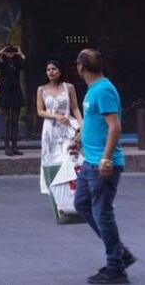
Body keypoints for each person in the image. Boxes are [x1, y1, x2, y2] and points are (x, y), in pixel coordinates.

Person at [69, 49, 136, 284]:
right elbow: (92, 121)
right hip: (90, 161)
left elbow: (114, 126)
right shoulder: (93, 90)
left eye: (77, 64)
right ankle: (119, 252)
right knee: (82, 204)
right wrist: (78, 138)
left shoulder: (104, 90)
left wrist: (106, 159)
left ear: (81, 66)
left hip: (102, 164)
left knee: (102, 213)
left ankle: (116, 268)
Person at [37, 60, 82, 193]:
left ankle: (70, 190)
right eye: (48, 69)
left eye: (54, 69)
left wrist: (82, 125)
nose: (51, 72)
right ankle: (53, 189)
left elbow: (75, 108)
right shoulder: (41, 89)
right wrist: (56, 116)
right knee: (51, 159)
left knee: (68, 157)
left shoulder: (69, 87)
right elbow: (40, 111)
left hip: (67, 127)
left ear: (60, 71)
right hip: (50, 130)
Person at [0, 44, 26, 156]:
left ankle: (15, 147)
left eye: (12, 51)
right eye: (8, 51)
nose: (10, 53)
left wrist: (20, 54)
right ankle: (7, 147)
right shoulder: (2, 62)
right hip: (4, 93)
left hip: (15, 93)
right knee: (6, 121)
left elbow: (26, 66)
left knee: (15, 122)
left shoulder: (17, 62)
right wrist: (0, 53)